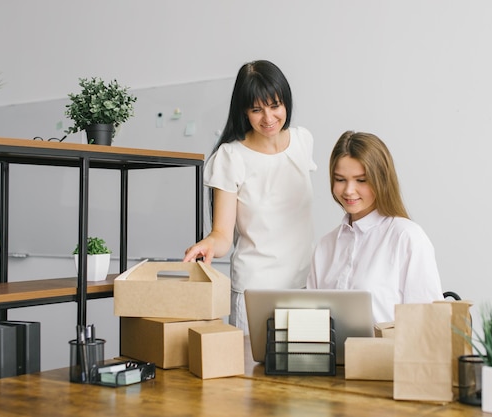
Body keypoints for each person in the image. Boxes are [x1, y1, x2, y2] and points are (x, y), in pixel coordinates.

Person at [183, 60, 316, 333]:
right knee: (251, 374)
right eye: (257, 110)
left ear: (286, 103)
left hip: (304, 286)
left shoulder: (303, 141)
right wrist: (209, 244)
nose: (268, 118)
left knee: (304, 373)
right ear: (244, 111)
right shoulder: (231, 157)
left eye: (275, 106)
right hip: (255, 292)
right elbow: (222, 234)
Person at [307, 131, 443, 323]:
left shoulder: (406, 237)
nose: (348, 190)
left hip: (389, 353)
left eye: (361, 180)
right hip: (332, 353)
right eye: (340, 179)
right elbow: (313, 324)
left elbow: (426, 325)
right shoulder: (325, 246)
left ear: (381, 180)